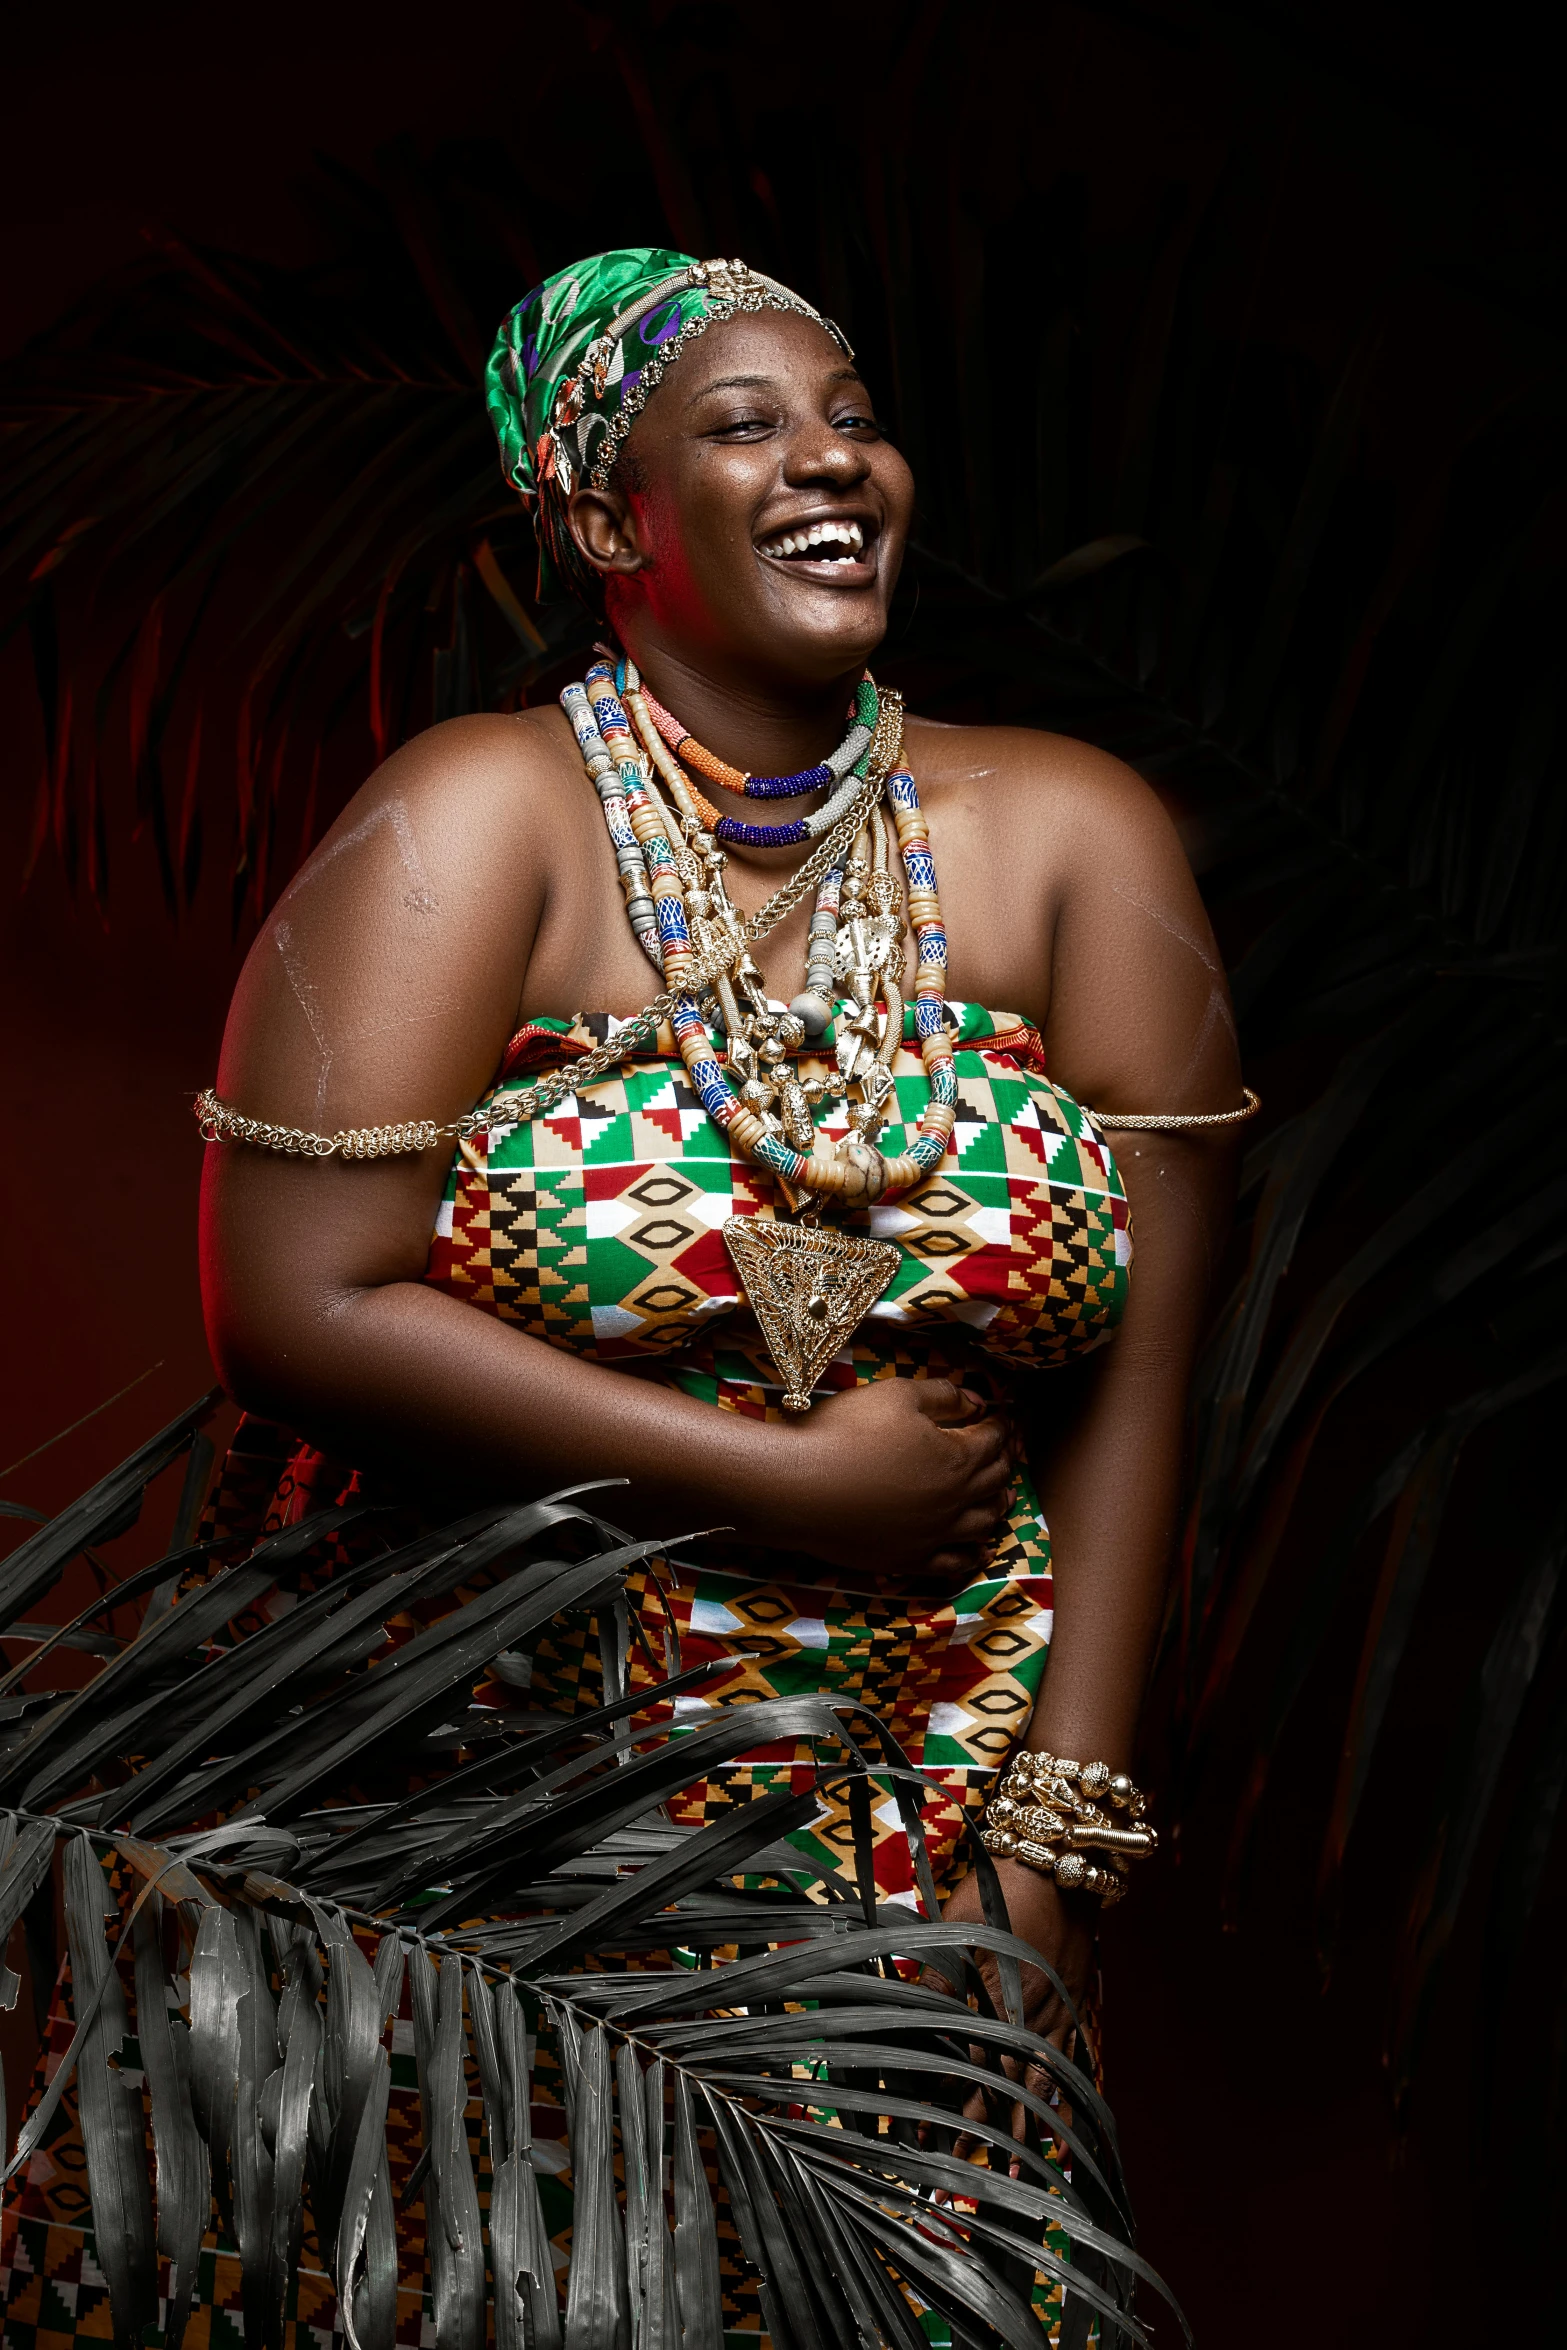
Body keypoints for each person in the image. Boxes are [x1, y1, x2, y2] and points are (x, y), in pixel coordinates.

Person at [196, 244, 1245, 2320]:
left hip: (933, 1815)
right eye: (747, 425)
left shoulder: (1070, 838)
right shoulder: (471, 824)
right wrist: (783, 1489)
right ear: (608, 519)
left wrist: (1045, 1848)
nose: (832, 460)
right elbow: (289, 1304)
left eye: (851, 413)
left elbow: (1146, 1389)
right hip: (494, 1818)